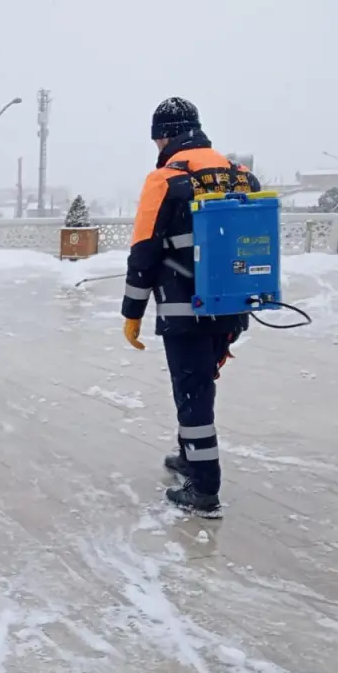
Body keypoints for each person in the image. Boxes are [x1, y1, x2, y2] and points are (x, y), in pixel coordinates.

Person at [121, 97, 260, 515]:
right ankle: (189, 456)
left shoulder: (166, 178)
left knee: (193, 392)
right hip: (233, 306)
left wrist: (132, 312)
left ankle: (203, 488)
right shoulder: (242, 176)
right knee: (201, 384)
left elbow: (144, 251)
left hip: (186, 310)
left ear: (163, 136)